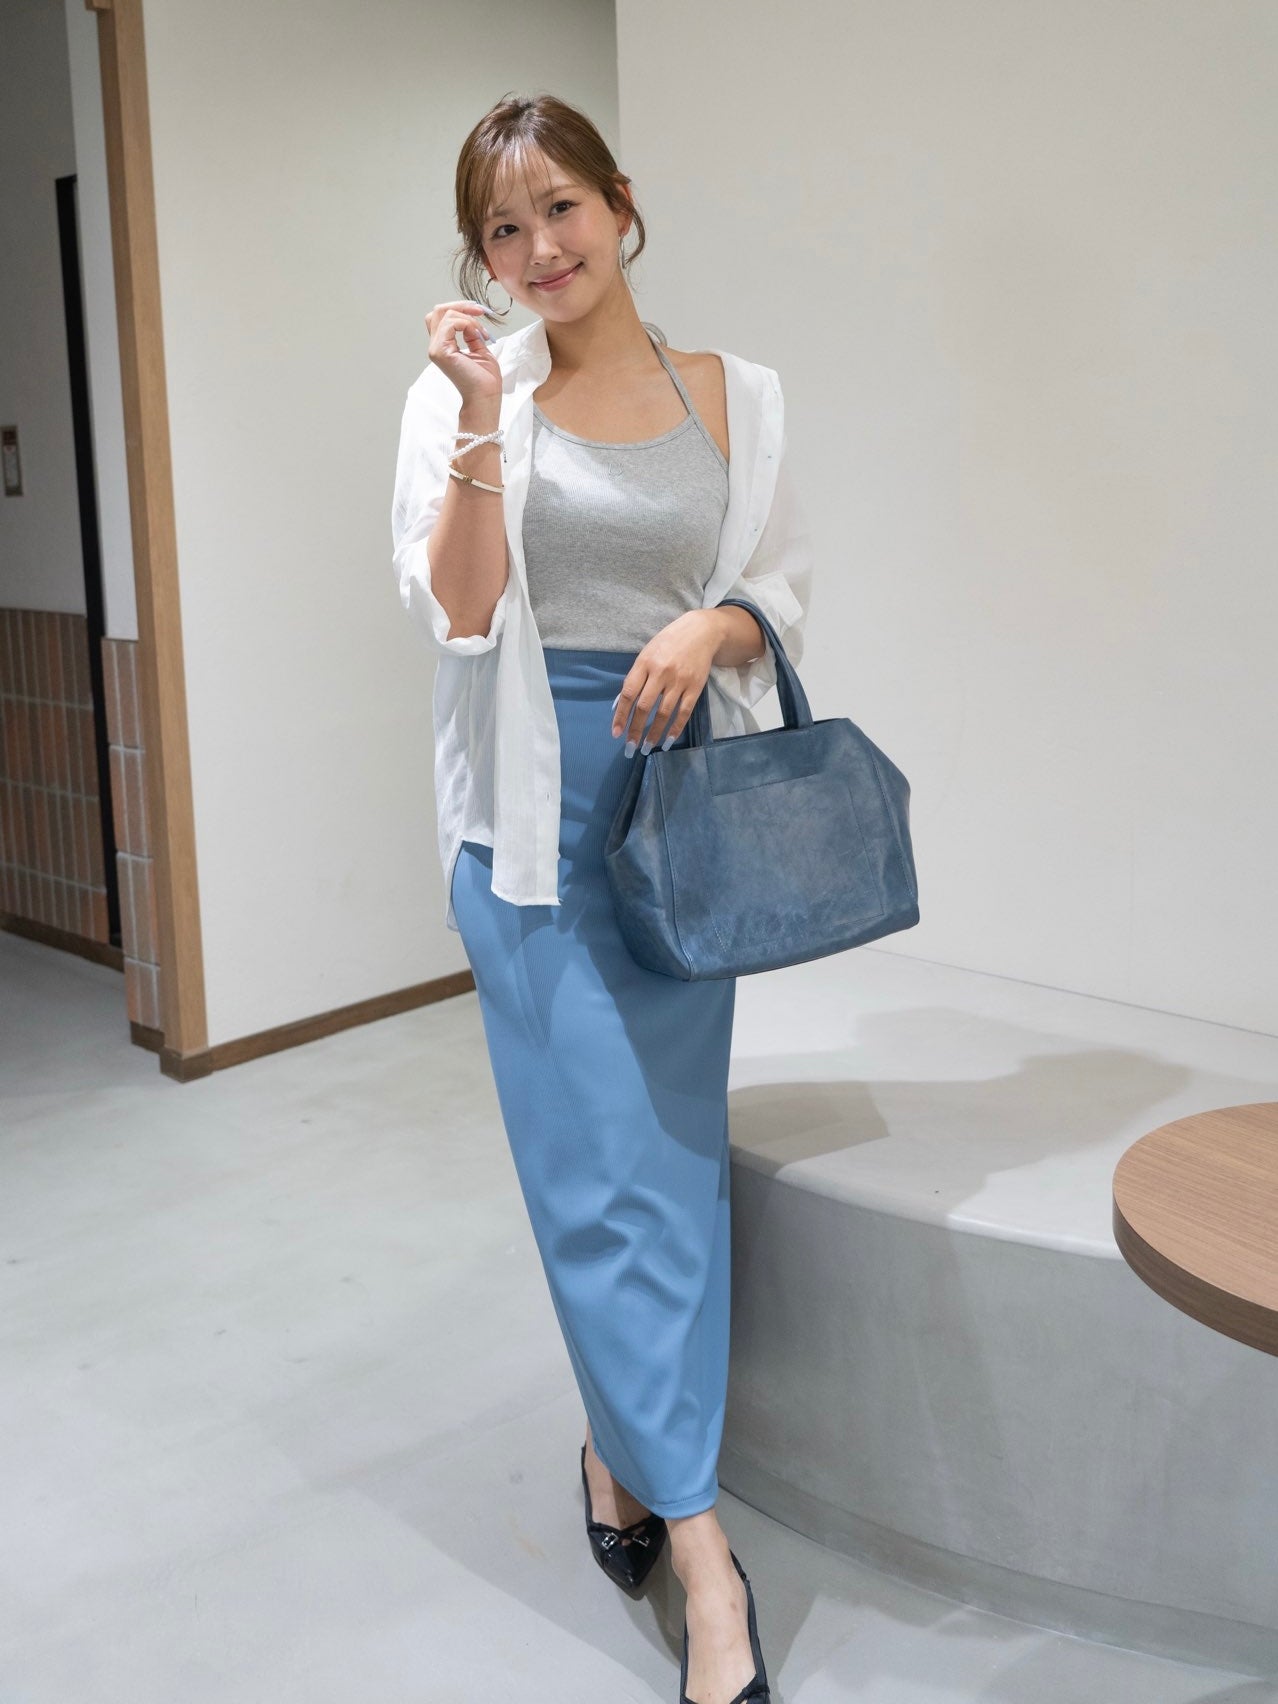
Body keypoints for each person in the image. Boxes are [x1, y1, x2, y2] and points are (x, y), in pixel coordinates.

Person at [390, 91, 812, 1704]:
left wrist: (710, 629)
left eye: (558, 208)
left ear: (620, 204)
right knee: (593, 1183)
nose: (538, 248)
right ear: (481, 258)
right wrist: (478, 419)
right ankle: (705, 1561)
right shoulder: (462, 396)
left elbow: (776, 589)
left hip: (676, 819)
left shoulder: (738, 394)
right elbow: (458, 612)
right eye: (502, 230)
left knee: (668, 1170)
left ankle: (616, 1451)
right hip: (524, 827)